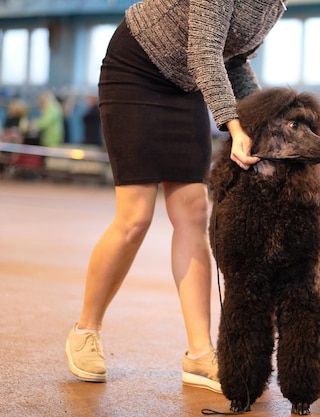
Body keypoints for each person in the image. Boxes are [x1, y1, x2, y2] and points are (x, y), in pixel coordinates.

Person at [64, 0, 286, 394]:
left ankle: (199, 354)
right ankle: (86, 330)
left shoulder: (275, 5)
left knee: (193, 211)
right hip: (136, 70)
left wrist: (265, 120)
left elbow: (231, 62)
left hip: (185, 85)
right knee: (135, 217)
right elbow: (204, 50)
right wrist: (233, 127)